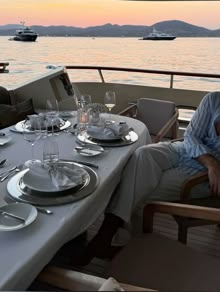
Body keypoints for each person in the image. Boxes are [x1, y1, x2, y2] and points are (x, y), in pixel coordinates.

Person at [78, 91, 220, 264]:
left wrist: (212, 167)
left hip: (202, 175)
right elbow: (191, 136)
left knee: (139, 190)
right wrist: (211, 162)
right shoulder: (213, 99)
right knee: (142, 153)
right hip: (182, 150)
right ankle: (110, 239)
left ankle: (112, 239)